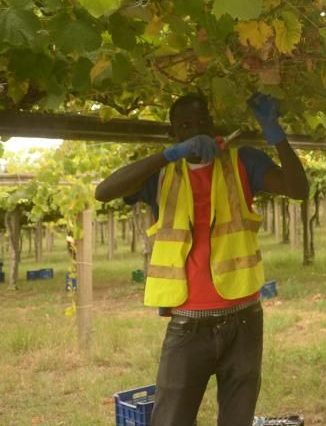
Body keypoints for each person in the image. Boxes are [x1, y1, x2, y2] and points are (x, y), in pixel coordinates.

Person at [95, 92, 308, 426]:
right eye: (184, 125)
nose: (195, 130)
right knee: (170, 419)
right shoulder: (162, 175)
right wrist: (168, 156)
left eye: (201, 122)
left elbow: (298, 189)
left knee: (237, 418)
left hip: (244, 319)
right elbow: (104, 192)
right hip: (187, 325)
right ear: (173, 134)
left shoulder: (242, 162)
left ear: (212, 125)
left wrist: (275, 132)